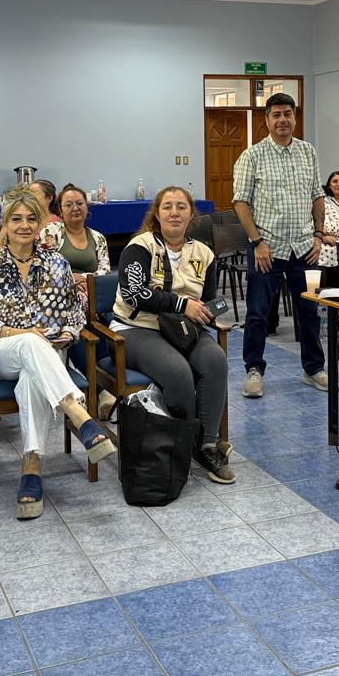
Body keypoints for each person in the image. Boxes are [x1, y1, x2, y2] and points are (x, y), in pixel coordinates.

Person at [0, 188, 114, 520]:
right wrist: (23, 334)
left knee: (32, 378)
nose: (24, 225)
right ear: (5, 224)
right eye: (16, 219)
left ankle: (31, 466)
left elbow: (74, 314)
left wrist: (68, 333)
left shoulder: (57, 262)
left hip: (47, 353)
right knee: (31, 345)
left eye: (31, 219)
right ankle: (79, 415)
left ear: (41, 223)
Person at [113, 186, 234, 483]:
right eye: (167, 207)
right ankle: (184, 442)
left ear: (192, 214)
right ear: (157, 213)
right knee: (178, 372)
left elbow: (208, 299)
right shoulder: (140, 246)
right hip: (138, 328)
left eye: (181, 207)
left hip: (184, 329)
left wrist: (206, 312)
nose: (174, 213)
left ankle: (206, 445)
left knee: (216, 361)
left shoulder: (204, 253)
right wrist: (182, 304)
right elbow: (133, 294)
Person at [232, 92, 327, 398]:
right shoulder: (252, 156)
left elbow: (317, 195)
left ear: (295, 117)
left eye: (287, 114)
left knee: (309, 312)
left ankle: (313, 369)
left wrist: (318, 235)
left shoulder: (308, 152)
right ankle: (254, 371)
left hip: (304, 248)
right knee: (258, 314)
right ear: (267, 120)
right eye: (276, 115)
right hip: (267, 249)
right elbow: (241, 202)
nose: (282, 120)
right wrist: (257, 242)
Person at [39, 184, 111, 278]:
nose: (75, 208)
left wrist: (84, 278)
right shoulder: (51, 231)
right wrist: (71, 278)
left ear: (87, 207)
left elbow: (106, 271)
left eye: (80, 203)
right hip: (59, 285)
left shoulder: (98, 238)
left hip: (90, 285)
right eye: (68, 205)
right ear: (60, 210)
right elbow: (45, 266)